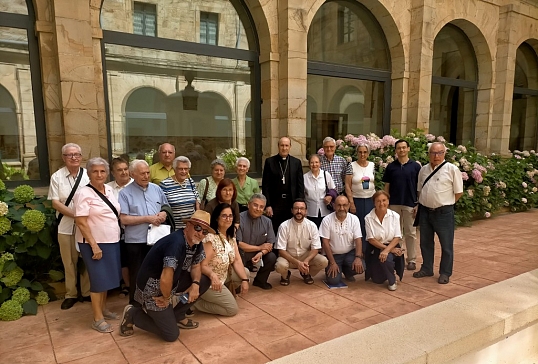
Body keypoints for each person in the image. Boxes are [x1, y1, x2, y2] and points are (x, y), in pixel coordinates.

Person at [119, 210, 212, 342]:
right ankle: (133, 314)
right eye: (197, 227)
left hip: (173, 281)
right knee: (171, 334)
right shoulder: (176, 243)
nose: (200, 233)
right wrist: (166, 298)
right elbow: (165, 276)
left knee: (204, 280)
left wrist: (195, 284)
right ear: (188, 225)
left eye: (204, 231)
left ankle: (177, 314)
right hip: (152, 288)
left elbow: (196, 266)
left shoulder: (196, 243)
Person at [73, 158, 121, 332]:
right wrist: (94, 245)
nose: (99, 174)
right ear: (88, 173)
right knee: (98, 279)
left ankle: (103, 309)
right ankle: (97, 318)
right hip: (94, 243)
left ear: (107, 173)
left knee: (107, 279)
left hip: (111, 241)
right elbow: (81, 222)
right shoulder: (83, 193)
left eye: (102, 171)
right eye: (95, 171)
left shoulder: (109, 189)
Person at [119, 159, 169, 305]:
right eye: (142, 173)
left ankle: (154, 304)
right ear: (132, 174)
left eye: (148, 173)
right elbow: (124, 219)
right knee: (137, 275)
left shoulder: (156, 189)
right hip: (136, 241)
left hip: (156, 240)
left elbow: (166, 206)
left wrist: (163, 214)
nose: (146, 176)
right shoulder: (125, 193)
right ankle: (135, 307)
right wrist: (147, 218)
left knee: (156, 272)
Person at [48, 143, 91, 310]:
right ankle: (71, 294)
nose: (74, 157)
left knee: (87, 259)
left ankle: (87, 292)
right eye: (70, 155)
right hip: (65, 226)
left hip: (87, 226)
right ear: (63, 158)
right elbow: (55, 203)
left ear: (81, 157)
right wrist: (76, 215)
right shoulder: (57, 177)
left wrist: (83, 218)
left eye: (77, 154)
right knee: (69, 262)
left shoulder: (89, 175)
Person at [413, 142, 463, 284]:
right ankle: (427, 268)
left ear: (444, 153)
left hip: (443, 213)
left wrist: (444, 203)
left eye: (439, 152)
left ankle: (445, 272)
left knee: (446, 245)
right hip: (425, 211)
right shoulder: (423, 170)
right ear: (429, 154)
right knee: (425, 243)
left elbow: (458, 192)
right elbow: (419, 190)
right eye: (433, 153)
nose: (436, 156)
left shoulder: (452, 169)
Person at [193, 203, 250, 316]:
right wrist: (213, 276)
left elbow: (237, 261)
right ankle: (195, 303)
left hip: (223, 275)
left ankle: (222, 293)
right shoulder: (211, 238)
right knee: (231, 310)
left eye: (230, 216)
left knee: (246, 273)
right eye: (224, 216)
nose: (228, 219)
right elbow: (202, 265)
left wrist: (245, 280)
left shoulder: (231, 238)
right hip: (208, 280)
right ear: (216, 218)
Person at [382, 139, 421, 271]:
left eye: (404, 148)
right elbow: (387, 186)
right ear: (396, 151)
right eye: (399, 148)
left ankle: (412, 260)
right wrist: (386, 204)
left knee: (410, 233)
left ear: (408, 149)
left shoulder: (416, 167)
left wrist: (418, 204)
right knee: (395, 234)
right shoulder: (391, 167)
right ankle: (398, 258)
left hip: (410, 204)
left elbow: (419, 187)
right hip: (394, 204)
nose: (401, 150)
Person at [275, 199, 328, 285]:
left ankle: (306, 273)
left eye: (302, 209)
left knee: (323, 261)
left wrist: (306, 261)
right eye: (296, 208)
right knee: (280, 266)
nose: (299, 211)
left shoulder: (312, 226)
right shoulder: (284, 226)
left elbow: (316, 248)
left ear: (306, 211)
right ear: (292, 210)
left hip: (305, 257)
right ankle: (285, 275)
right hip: (289, 257)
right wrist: (297, 263)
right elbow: (281, 250)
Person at [262, 137, 305, 235]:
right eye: (282, 145)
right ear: (278, 146)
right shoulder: (270, 162)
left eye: (286, 145)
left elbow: (300, 186)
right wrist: (268, 205)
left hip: (291, 202)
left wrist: (300, 204)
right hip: (275, 203)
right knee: (275, 229)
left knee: (291, 230)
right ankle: (276, 250)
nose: (284, 148)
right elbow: (266, 185)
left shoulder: (296, 162)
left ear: (290, 147)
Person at [364, 190, 405, 291]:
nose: (381, 203)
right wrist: (388, 250)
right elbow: (371, 239)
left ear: (388, 201)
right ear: (374, 203)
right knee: (377, 280)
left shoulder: (395, 216)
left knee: (386, 258)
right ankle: (388, 270)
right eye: (378, 201)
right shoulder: (368, 218)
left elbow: (397, 237)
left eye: (384, 200)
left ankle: (392, 281)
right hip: (376, 247)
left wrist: (386, 251)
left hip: (392, 244)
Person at [320, 195, 364, 285]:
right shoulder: (326, 220)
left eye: (344, 205)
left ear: (348, 205)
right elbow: (325, 243)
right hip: (334, 256)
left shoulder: (354, 219)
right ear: (334, 206)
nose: (342, 208)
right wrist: (332, 263)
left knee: (361, 266)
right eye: (339, 205)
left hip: (349, 254)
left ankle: (347, 271)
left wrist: (358, 258)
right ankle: (334, 268)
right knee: (334, 281)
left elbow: (358, 240)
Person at [237, 193, 277, 290]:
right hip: (241, 254)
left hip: (257, 255)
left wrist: (261, 253)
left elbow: (270, 243)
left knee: (271, 257)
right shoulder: (238, 219)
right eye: (255, 205)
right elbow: (238, 243)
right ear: (248, 204)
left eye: (261, 207)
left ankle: (260, 281)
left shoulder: (267, 222)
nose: (258, 209)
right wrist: (260, 248)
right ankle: (237, 283)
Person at [107, 157, 133, 297]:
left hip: (136, 228)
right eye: (119, 170)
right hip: (117, 229)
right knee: (123, 258)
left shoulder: (137, 185)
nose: (123, 172)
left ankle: (137, 284)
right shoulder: (108, 188)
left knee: (136, 258)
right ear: (113, 172)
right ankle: (127, 285)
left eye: (125, 169)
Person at [346, 143, 375, 253]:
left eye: (365, 152)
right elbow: (348, 185)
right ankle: (358, 251)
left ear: (368, 153)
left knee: (369, 225)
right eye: (360, 152)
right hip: (357, 200)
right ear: (357, 153)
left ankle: (368, 250)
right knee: (358, 226)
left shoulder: (372, 165)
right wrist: (351, 203)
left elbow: (373, 181)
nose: (362, 154)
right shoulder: (351, 166)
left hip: (370, 200)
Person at [159, 156, 199, 230]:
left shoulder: (190, 182)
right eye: (180, 169)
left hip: (190, 228)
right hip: (174, 228)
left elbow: (197, 201)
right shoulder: (165, 184)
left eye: (186, 169)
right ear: (174, 169)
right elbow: (162, 206)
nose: (184, 171)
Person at [304, 154, 336, 227]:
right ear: (309, 164)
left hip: (325, 210)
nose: (314, 164)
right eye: (312, 162)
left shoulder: (325, 175)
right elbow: (302, 195)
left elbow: (333, 189)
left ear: (320, 163)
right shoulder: (305, 177)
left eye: (316, 162)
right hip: (310, 211)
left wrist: (330, 196)